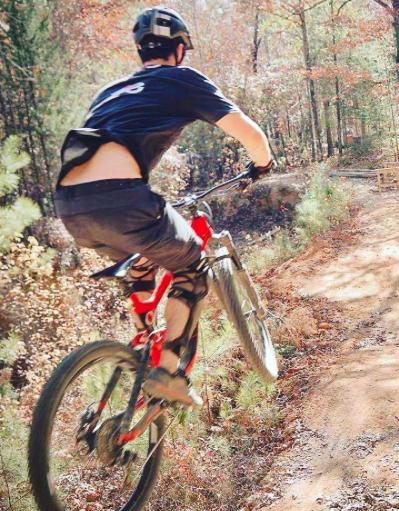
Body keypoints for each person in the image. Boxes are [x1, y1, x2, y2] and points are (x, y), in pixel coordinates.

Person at [54, 6, 273, 406]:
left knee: (143, 255)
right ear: (179, 50)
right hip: (123, 197)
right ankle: (168, 371)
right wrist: (262, 163)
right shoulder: (181, 80)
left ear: (142, 50)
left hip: (70, 207)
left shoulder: (110, 91)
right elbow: (248, 132)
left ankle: (142, 346)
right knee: (190, 266)